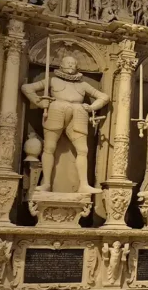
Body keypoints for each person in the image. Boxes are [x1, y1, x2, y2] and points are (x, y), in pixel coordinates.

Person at [21, 55, 109, 193]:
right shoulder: (53, 81)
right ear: (61, 65)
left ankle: (84, 184)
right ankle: (47, 184)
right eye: (68, 63)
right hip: (56, 110)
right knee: (49, 147)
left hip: (78, 112)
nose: (70, 65)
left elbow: (104, 97)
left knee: (83, 150)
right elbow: (27, 88)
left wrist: (92, 108)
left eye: (73, 63)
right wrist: (38, 101)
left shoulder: (83, 84)